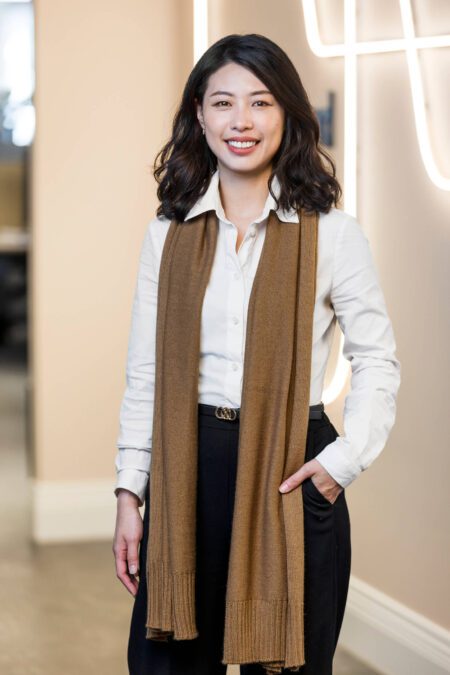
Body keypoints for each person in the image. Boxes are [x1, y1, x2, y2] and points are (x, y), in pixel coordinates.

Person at [112, 33, 401, 675]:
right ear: (199, 115)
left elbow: (377, 359)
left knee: (293, 665)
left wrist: (342, 462)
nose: (240, 122)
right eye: (223, 103)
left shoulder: (332, 233)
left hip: (292, 468)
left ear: (288, 116)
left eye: (260, 103)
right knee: (169, 663)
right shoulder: (170, 231)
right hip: (189, 467)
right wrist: (130, 493)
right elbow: (147, 375)